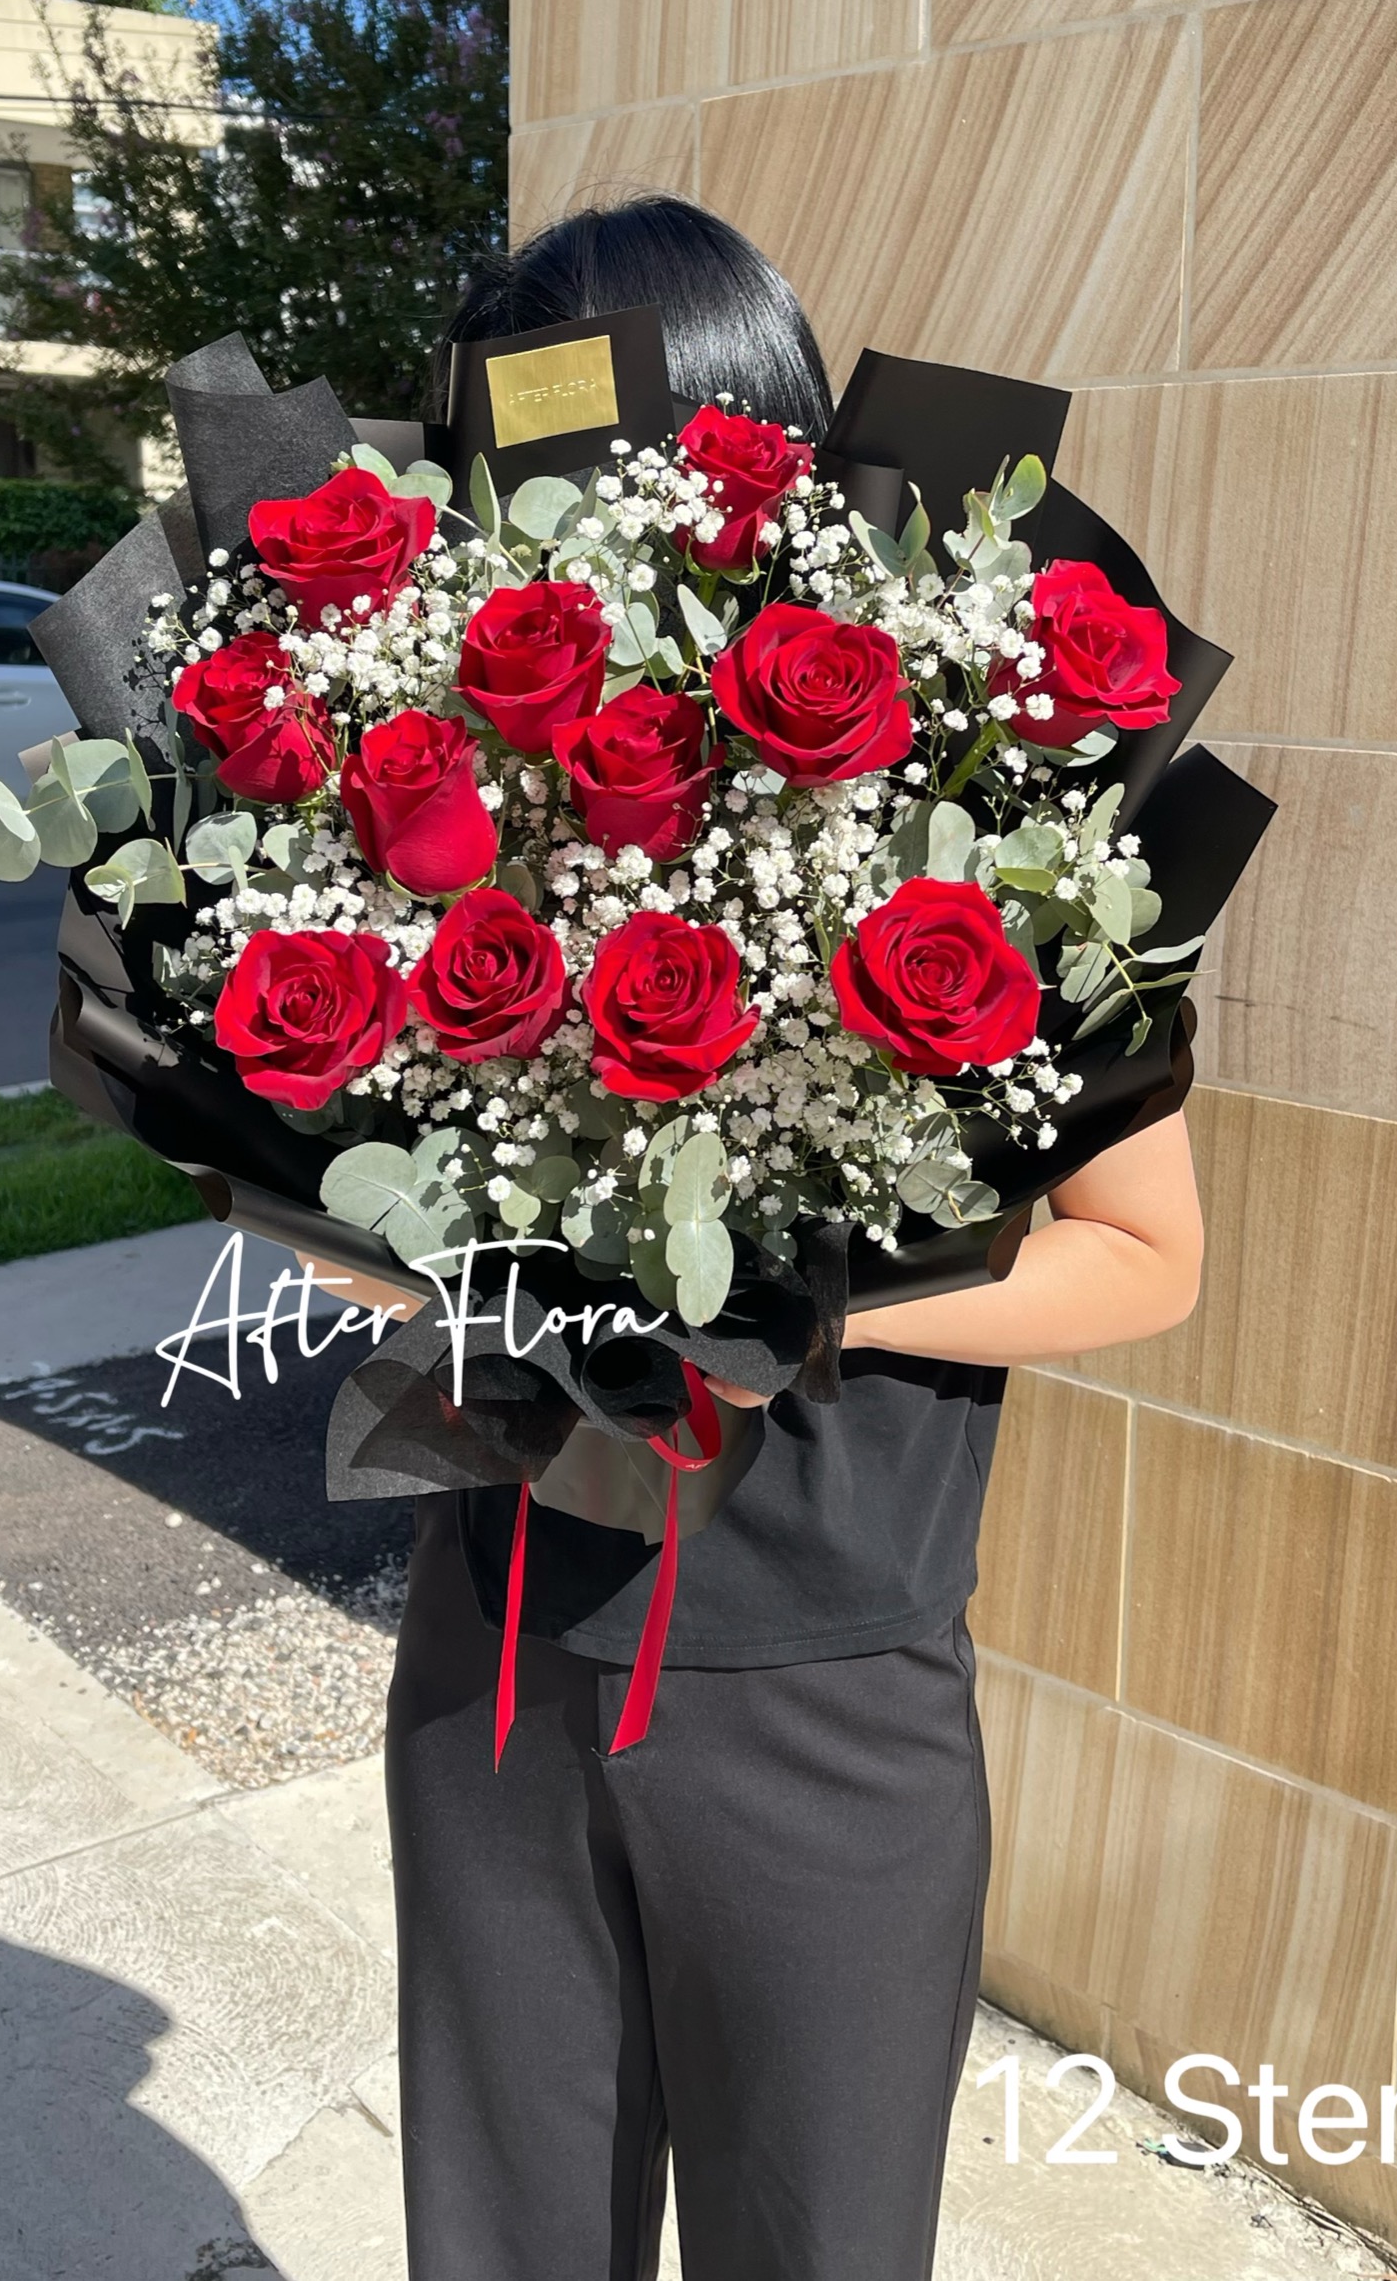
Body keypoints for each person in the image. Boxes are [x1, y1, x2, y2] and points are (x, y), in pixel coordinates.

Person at [376, 197, 1204, 2281]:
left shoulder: (985, 803)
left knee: (815, 2243)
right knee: (501, 2237)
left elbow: (1143, 1252)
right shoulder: (433, 799)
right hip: (500, 1632)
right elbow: (351, 1179)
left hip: (824, 1680)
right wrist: (376, 1229)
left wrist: (789, 1288)